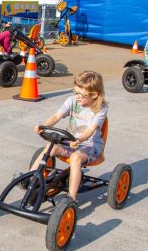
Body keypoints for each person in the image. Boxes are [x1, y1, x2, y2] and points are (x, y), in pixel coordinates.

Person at [30, 70, 108, 201]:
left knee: (76, 157)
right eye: (75, 92)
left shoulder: (100, 109)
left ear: (94, 94)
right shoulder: (72, 101)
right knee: (51, 146)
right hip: (69, 143)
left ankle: (71, 197)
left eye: (81, 94)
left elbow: (91, 130)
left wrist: (79, 139)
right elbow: (57, 116)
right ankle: (30, 179)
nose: (77, 96)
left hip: (90, 146)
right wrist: (43, 126)